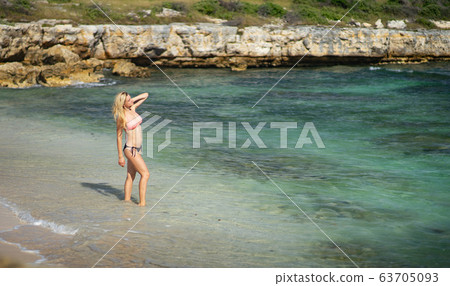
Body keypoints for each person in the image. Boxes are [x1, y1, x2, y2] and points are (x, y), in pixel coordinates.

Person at [112, 91, 149, 206]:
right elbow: (119, 137)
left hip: (138, 149)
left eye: (130, 98)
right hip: (130, 149)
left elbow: (145, 95)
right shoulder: (121, 117)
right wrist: (120, 157)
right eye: (128, 100)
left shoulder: (132, 108)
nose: (131, 100)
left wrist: (131, 100)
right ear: (123, 103)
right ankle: (142, 204)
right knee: (145, 174)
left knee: (130, 175)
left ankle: (126, 203)